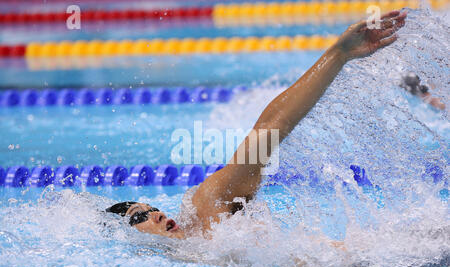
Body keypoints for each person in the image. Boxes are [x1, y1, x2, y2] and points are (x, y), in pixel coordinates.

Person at [106, 11, 408, 241]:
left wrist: (337, 55)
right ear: (127, 240)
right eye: (139, 217)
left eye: (149, 208)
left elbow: (269, 129)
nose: (155, 213)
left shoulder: (207, 208)